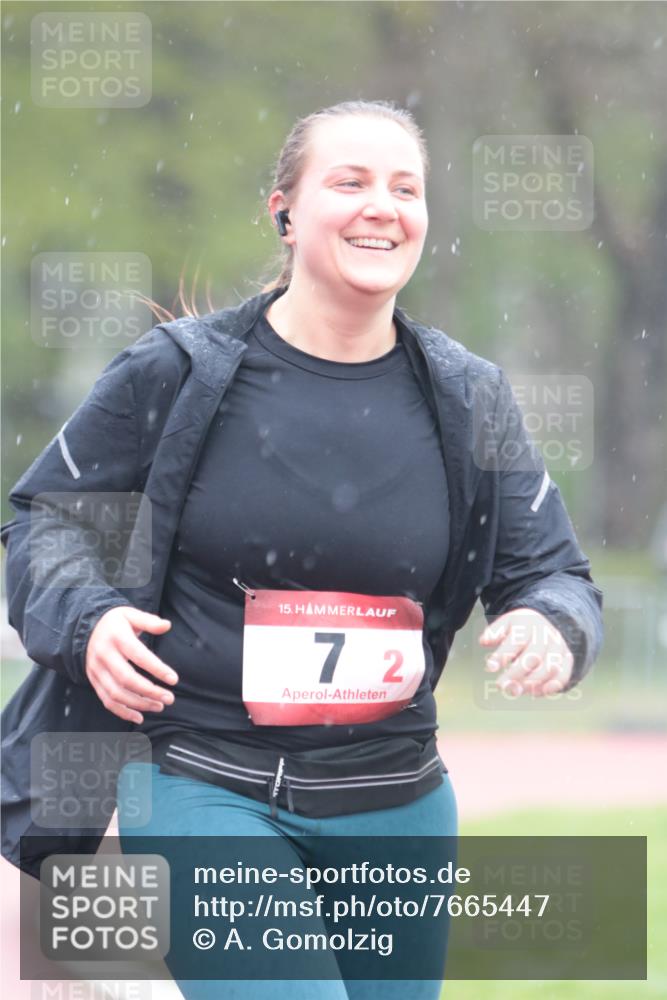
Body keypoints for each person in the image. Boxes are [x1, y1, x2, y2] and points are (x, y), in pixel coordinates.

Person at [2, 100, 603, 998]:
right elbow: (42, 524)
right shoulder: (175, 374)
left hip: (397, 798)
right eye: (349, 181)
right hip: (200, 780)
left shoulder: (468, 397)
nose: (382, 206)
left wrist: (553, 624)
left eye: (406, 188)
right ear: (284, 211)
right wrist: (88, 620)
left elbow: (551, 570)